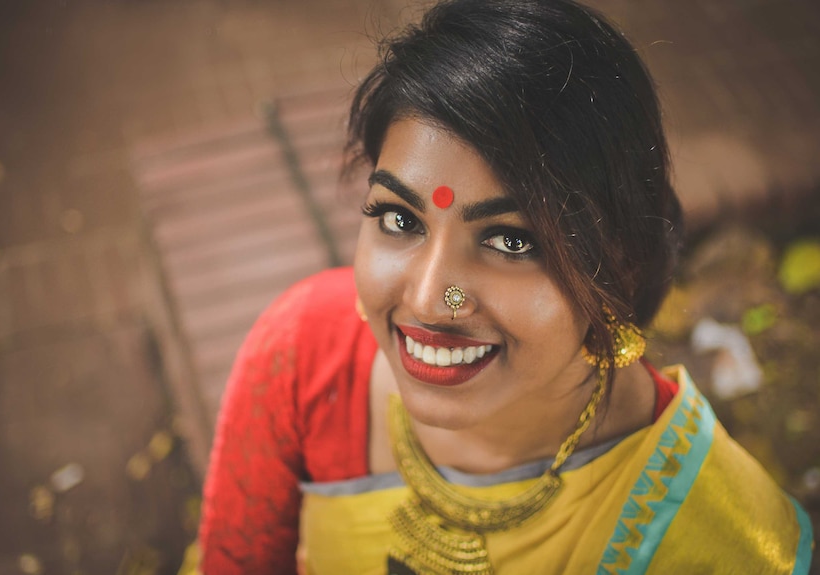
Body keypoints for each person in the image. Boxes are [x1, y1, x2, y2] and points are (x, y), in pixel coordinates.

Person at [197, 0, 814, 573]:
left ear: (619, 262)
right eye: (400, 219)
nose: (429, 299)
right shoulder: (305, 353)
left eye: (511, 241)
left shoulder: (724, 538)